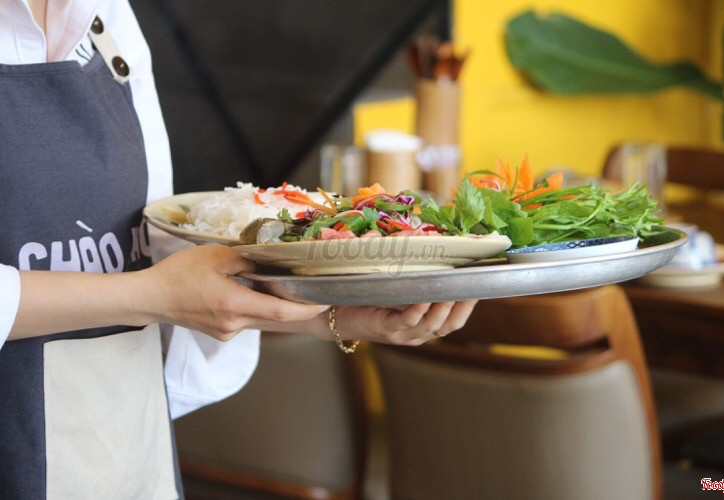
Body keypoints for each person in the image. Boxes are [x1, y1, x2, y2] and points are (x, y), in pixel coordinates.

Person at [0, 1, 478, 498]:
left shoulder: (107, 16)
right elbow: (157, 290)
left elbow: (154, 251)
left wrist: (328, 311)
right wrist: (151, 295)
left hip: (122, 444)